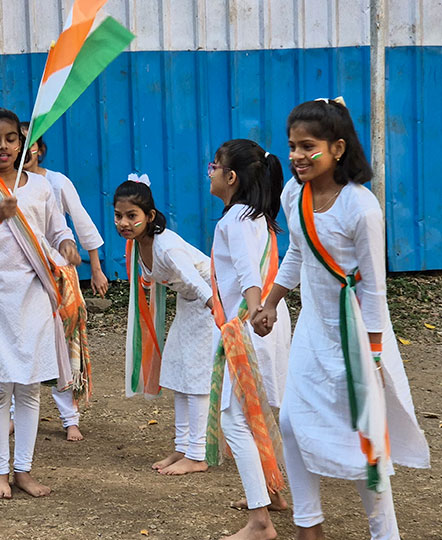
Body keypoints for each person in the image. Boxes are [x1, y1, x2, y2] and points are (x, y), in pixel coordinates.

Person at [253, 98, 430, 540]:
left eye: (307, 146)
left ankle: (385, 534)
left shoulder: (361, 207)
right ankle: (308, 525)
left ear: (337, 148)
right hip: (313, 330)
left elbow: (375, 288)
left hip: (357, 336)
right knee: (292, 422)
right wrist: (271, 302)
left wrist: (374, 352)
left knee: (365, 439)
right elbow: (297, 253)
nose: (296, 156)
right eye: (292, 146)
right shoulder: (293, 194)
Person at [0, 107, 82, 499]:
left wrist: (67, 246)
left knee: (29, 388)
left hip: (34, 295)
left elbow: (57, 230)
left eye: (10, 138)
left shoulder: (40, 187)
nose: (3, 146)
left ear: (22, 143)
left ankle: (23, 470)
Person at [206, 139, 291, 540]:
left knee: (234, 419)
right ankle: (272, 494)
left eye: (214, 165)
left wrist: (255, 311)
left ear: (231, 177)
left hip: (250, 325)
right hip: (264, 322)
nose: (209, 171)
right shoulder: (257, 217)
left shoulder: (236, 219)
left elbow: (246, 272)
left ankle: (260, 522)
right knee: (260, 410)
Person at [113, 173, 215, 475]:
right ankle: (183, 447)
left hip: (211, 300)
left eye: (132, 216)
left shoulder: (166, 246)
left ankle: (197, 454)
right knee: (178, 371)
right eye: (118, 216)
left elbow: (196, 280)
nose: (124, 223)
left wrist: (219, 312)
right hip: (190, 302)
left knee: (196, 376)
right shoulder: (138, 244)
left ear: (150, 216)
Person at [19, 122, 107, 441]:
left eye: (30, 143)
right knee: (22, 343)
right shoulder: (2, 187)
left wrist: (96, 268)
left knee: (63, 344)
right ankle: (16, 414)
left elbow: (80, 223)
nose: (24, 150)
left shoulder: (56, 182)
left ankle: (70, 417)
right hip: (22, 277)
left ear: (40, 149)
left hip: (58, 276)